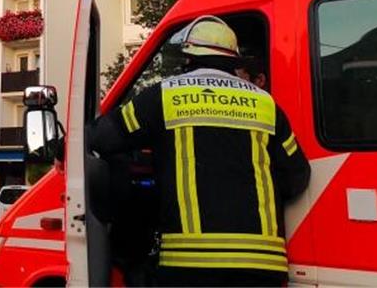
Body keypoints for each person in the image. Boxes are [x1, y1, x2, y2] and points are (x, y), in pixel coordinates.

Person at [91, 16, 310, 287]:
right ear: (234, 60)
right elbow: (297, 177)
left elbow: (103, 138)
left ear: (188, 57)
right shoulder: (266, 104)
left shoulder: (165, 96)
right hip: (263, 266)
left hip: (188, 265)